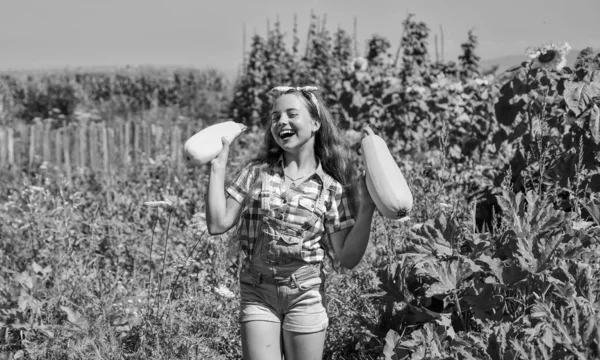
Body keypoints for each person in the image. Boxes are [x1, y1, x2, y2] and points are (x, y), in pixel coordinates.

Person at [205, 85, 376, 360]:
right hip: (257, 291)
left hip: (305, 295)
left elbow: (346, 258)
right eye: (275, 117)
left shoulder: (331, 188)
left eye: (291, 114)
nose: (281, 121)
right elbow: (217, 224)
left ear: (315, 123)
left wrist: (367, 208)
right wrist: (217, 167)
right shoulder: (255, 174)